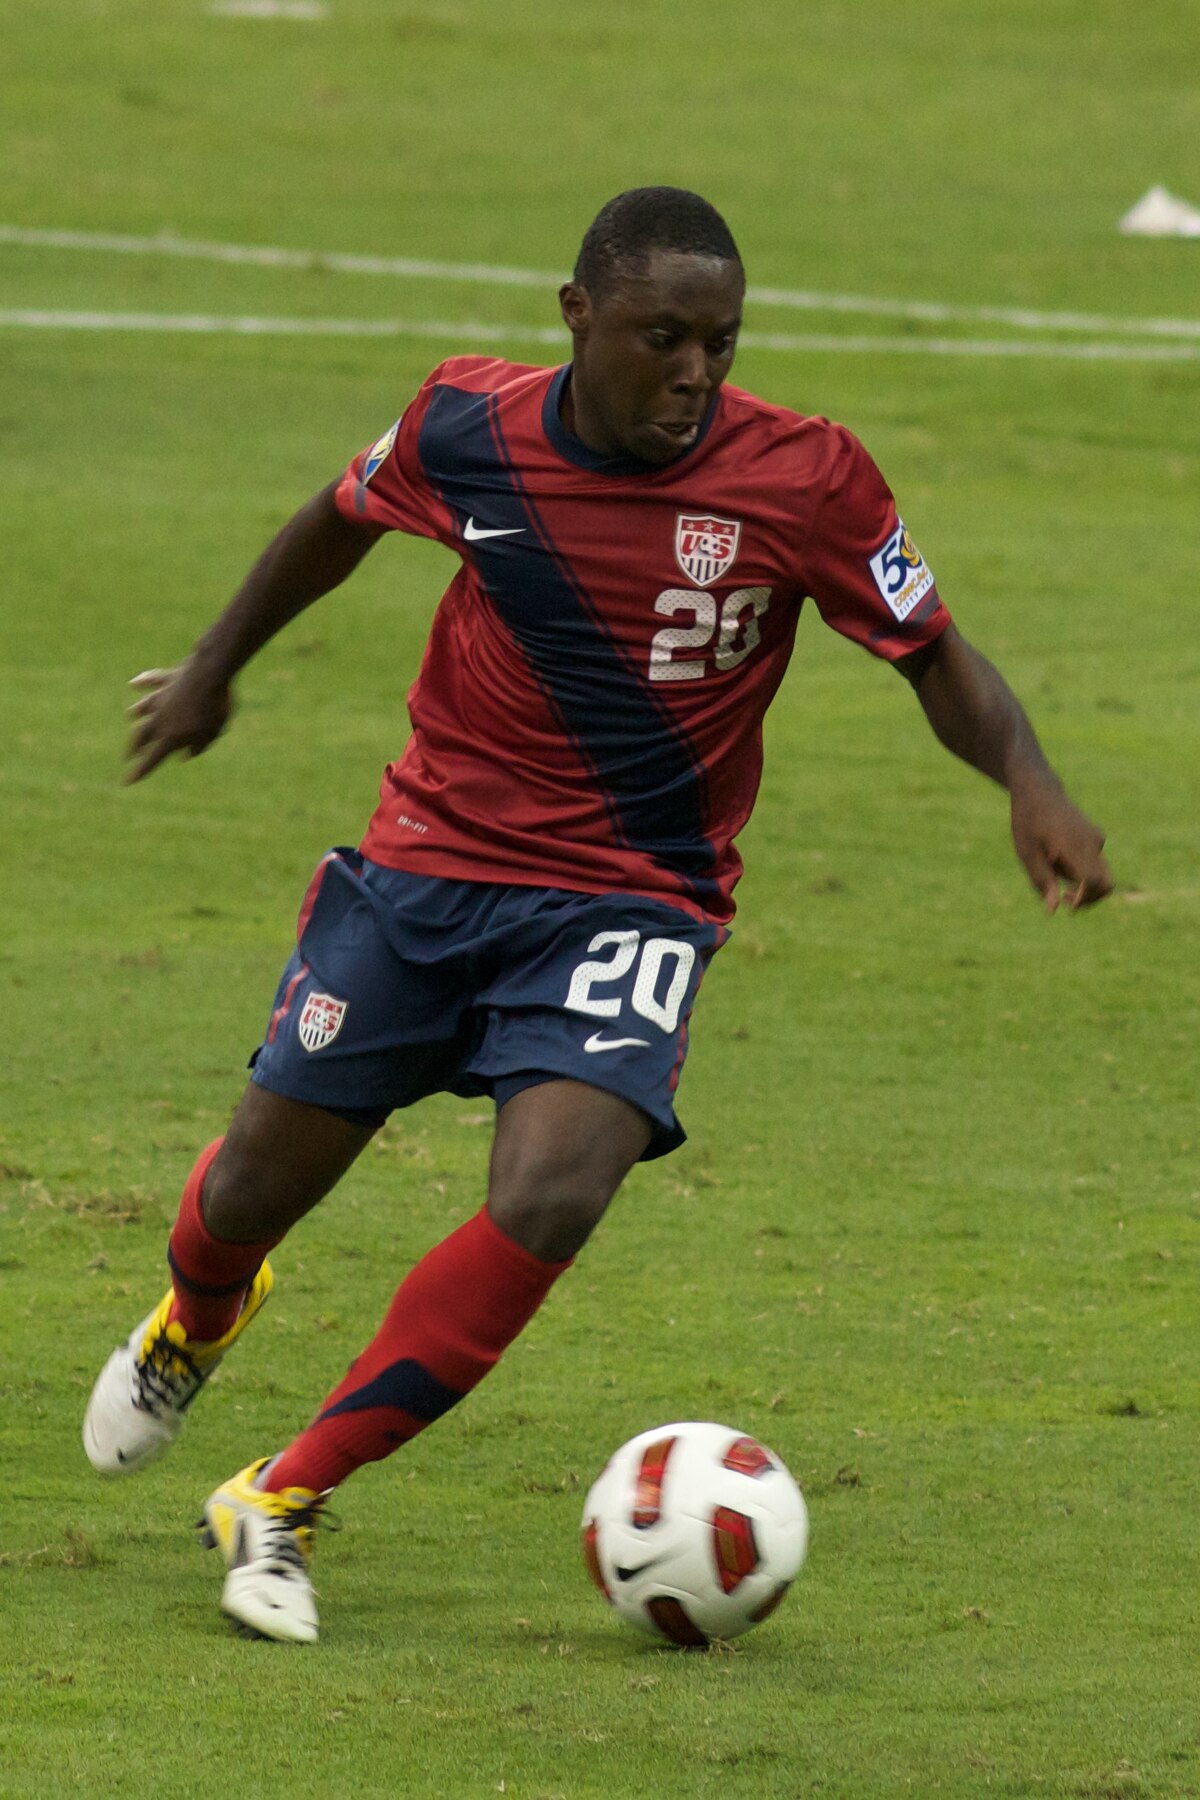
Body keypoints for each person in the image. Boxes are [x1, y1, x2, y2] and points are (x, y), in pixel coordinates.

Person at [83, 187, 1113, 1644]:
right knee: (253, 1188)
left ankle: (286, 1492)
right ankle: (197, 1317)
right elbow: (336, 519)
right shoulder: (466, 427)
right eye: (662, 338)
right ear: (578, 317)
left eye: (720, 343)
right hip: (432, 862)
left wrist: (1030, 778)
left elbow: (931, 651)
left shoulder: (805, 478)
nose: (695, 373)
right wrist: (212, 667)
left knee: (554, 1191)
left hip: (635, 896)